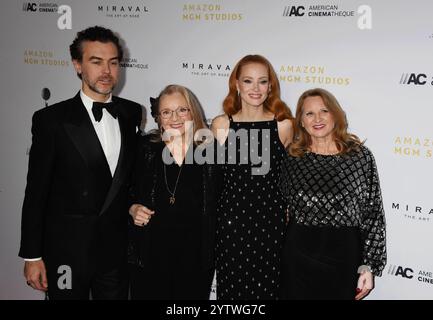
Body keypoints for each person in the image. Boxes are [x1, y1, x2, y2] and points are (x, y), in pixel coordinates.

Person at [19, 26, 142, 299]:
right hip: (66, 252)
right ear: (78, 65)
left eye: (113, 62)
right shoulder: (51, 121)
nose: (106, 71)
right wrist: (32, 255)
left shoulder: (132, 112)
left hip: (115, 250)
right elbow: (36, 192)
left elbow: (128, 179)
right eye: (96, 62)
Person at [279, 88, 387, 300]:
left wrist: (369, 265)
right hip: (298, 254)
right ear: (300, 121)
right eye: (309, 113)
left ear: (335, 115)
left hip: (343, 255)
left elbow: (373, 212)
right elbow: (280, 209)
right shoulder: (292, 157)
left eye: (324, 111)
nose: (317, 118)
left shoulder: (359, 157)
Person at [211, 54, 293, 299]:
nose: (255, 89)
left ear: (270, 87)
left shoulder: (284, 125)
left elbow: (291, 175)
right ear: (236, 85)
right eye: (248, 81)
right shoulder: (221, 125)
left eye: (262, 81)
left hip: (272, 223)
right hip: (231, 223)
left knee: (269, 290)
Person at [128, 84, 217, 300]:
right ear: (158, 117)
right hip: (150, 255)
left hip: (195, 258)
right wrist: (132, 208)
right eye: (166, 112)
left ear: (193, 112)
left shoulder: (212, 153)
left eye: (182, 110)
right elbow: (123, 190)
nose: (175, 118)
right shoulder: (145, 149)